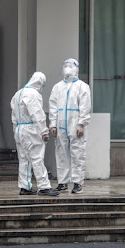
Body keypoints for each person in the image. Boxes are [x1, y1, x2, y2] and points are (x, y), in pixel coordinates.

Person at [10, 72, 59, 196]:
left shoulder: (17, 94)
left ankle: (24, 186)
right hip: (30, 129)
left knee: (24, 160)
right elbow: (37, 114)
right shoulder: (33, 94)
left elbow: (14, 116)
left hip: (19, 129)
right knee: (37, 158)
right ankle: (44, 187)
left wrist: (16, 130)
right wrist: (44, 131)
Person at [49, 58, 91, 194]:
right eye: (65, 65)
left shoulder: (82, 86)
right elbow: (53, 106)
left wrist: (81, 123)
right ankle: (63, 182)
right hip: (61, 124)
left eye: (70, 66)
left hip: (75, 123)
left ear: (76, 68)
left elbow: (85, 106)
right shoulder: (57, 87)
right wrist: (53, 124)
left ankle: (78, 182)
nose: (67, 68)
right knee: (61, 153)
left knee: (77, 153)